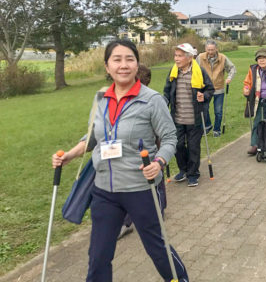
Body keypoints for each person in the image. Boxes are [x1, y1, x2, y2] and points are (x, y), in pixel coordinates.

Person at [51, 40, 189, 281]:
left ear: (137, 65)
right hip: (104, 190)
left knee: (157, 249)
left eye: (129, 59)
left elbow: (169, 138)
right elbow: (93, 136)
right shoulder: (100, 98)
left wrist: (159, 162)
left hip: (141, 188)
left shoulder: (152, 100)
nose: (123, 65)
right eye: (117, 59)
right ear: (107, 66)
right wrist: (70, 155)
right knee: (98, 255)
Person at [118, 63, 167, 239]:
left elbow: (164, 131)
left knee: (155, 184)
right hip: (126, 156)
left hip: (150, 152)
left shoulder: (154, 100)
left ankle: (158, 212)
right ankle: (126, 221)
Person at [163, 43, 215, 187]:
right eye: (175, 55)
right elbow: (167, 92)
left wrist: (203, 96)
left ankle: (193, 174)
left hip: (195, 118)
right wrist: (163, 103)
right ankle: (183, 170)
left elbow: (210, 89)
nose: (176, 59)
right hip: (177, 118)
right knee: (178, 145)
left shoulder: (200, 72)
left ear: (189, 57)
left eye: (179, 56)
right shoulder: (173, 73)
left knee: (193, 147)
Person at [196, 39, 236, 137]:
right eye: (208, 49)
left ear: (216, 49)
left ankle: (217, 130)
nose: (210, 52)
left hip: (219, 88)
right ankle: (208, 125)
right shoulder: (200, 57)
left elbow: (232, 68)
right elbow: (195, 70)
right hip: (205, 88)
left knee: (218, 111)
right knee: (204, 109)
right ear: (205, 49)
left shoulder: (223, 58)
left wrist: (229, 78)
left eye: (212, 50)